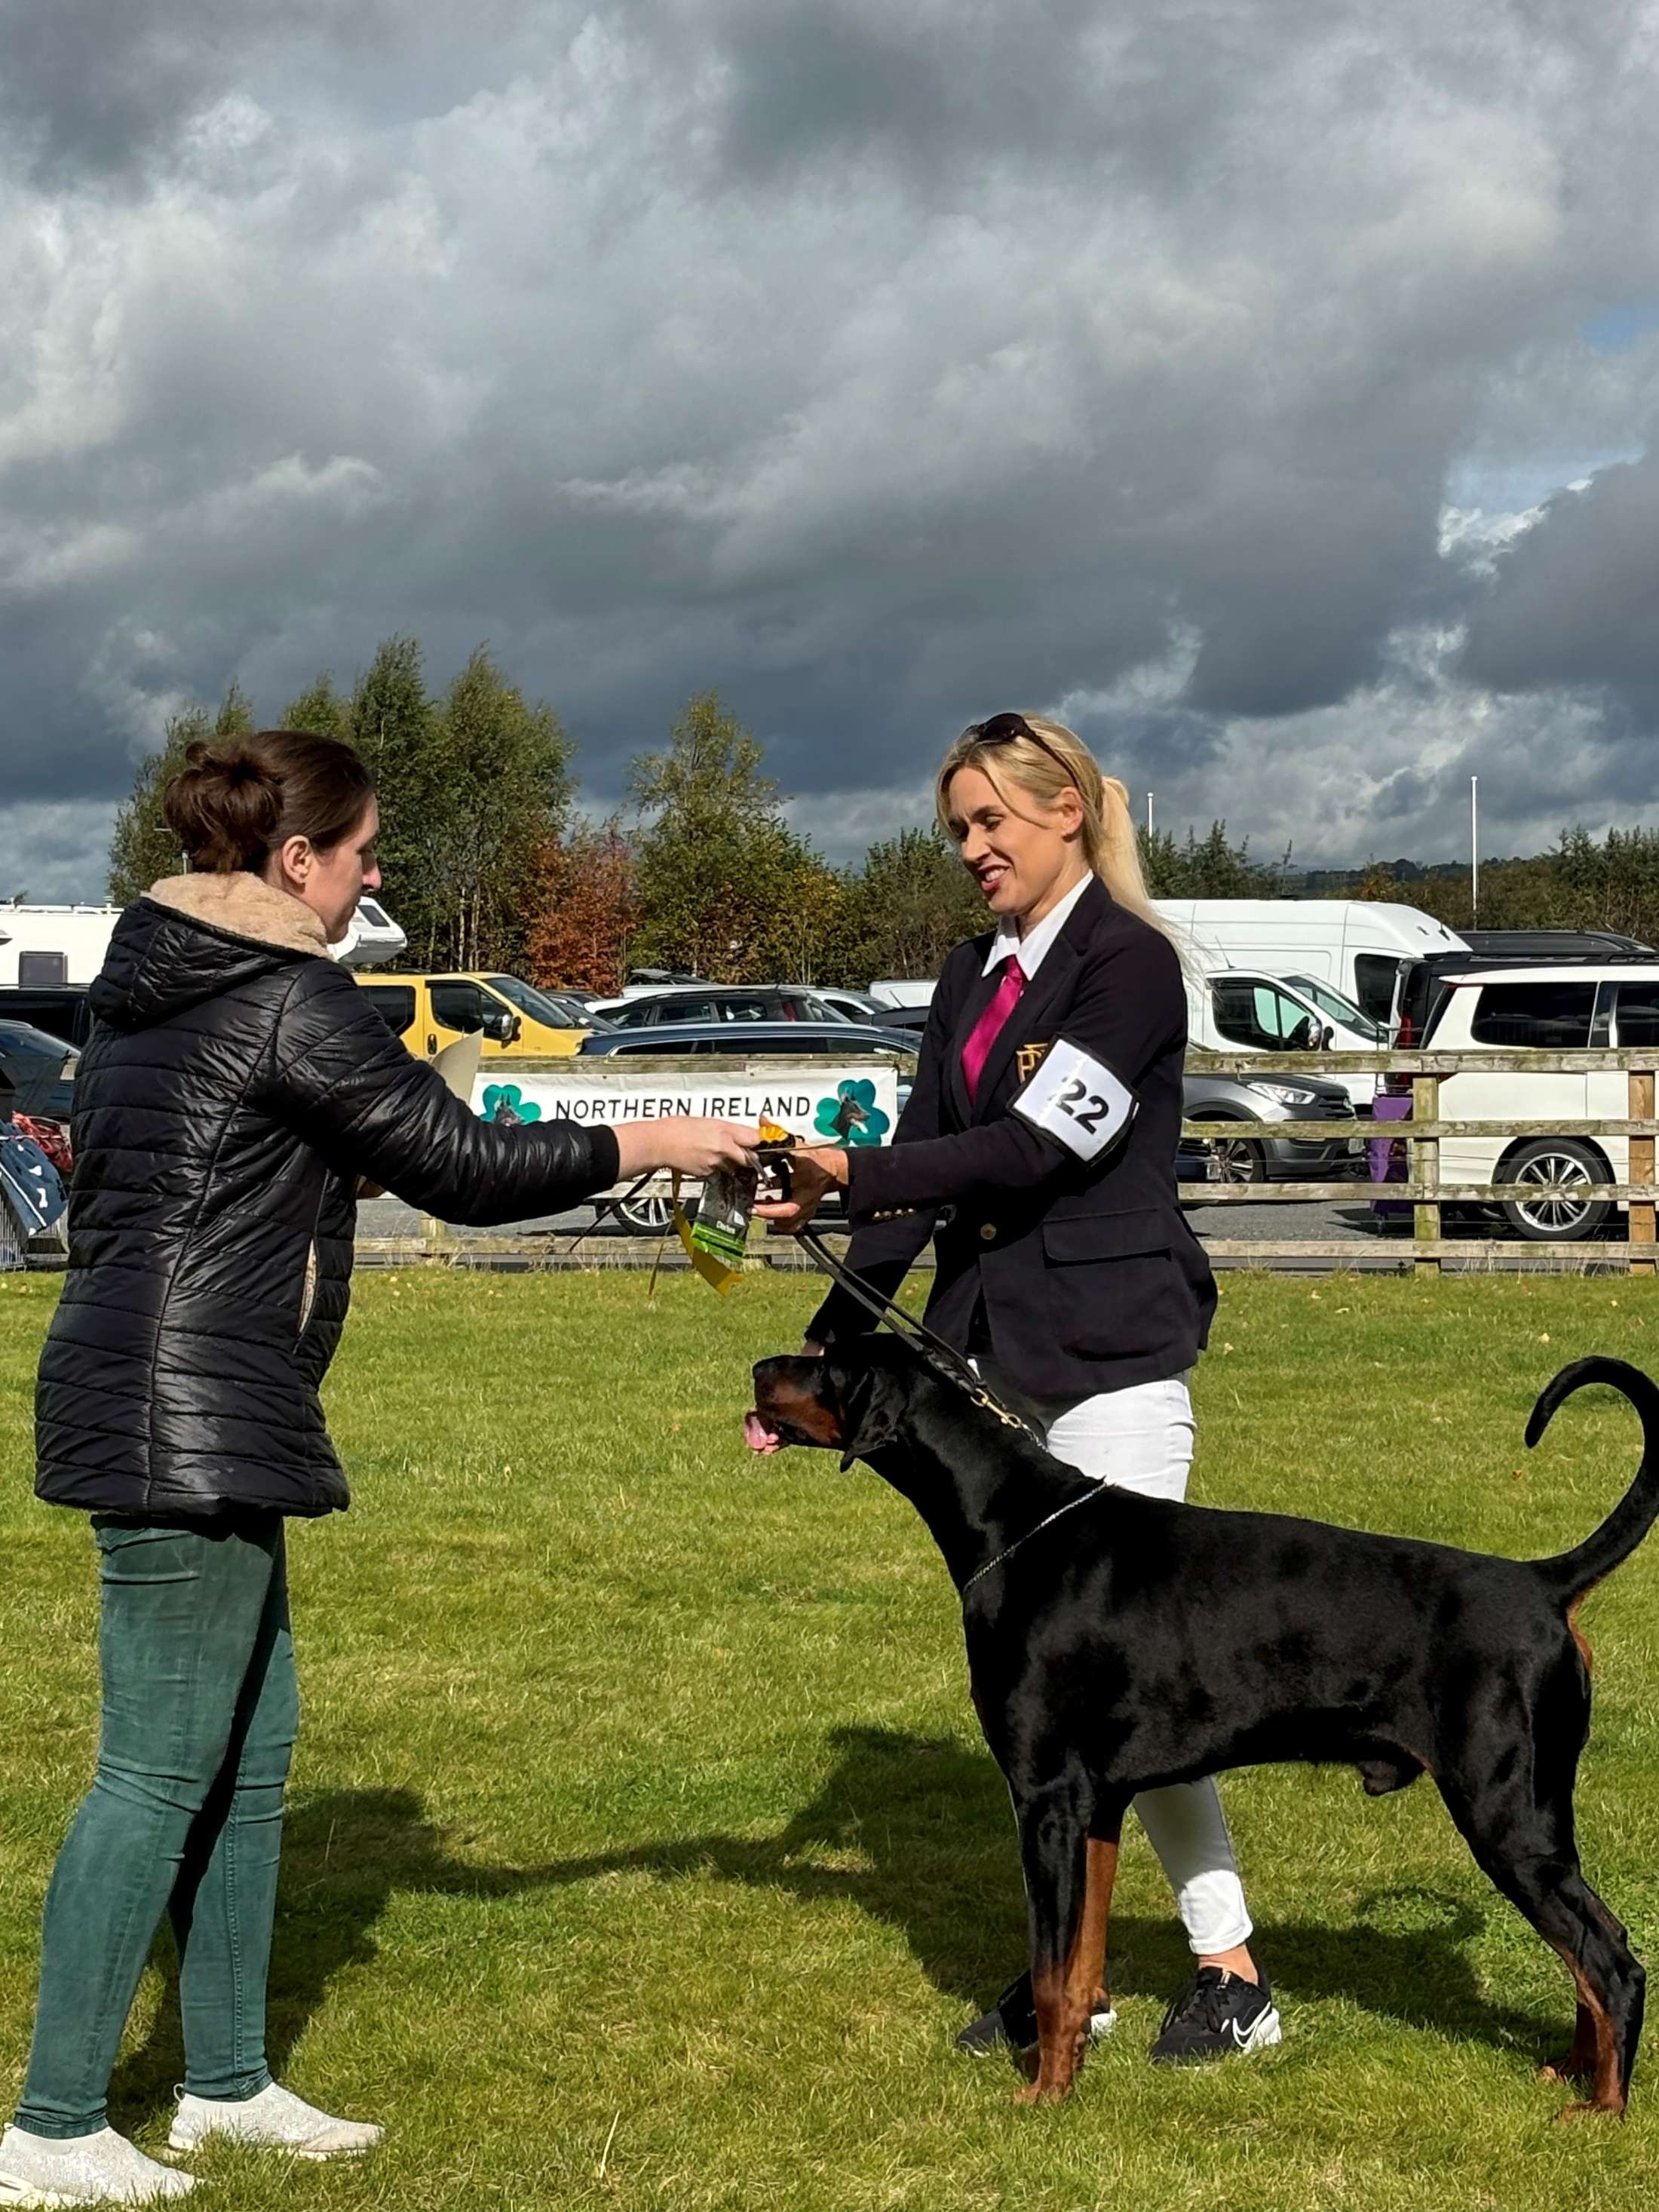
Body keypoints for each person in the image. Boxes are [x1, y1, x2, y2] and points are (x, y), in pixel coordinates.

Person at [0, 731, 759, 2209]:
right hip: (187, 1415)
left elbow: (195, 1162)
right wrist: (657, 1135)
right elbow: (464, 1172)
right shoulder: (287, 988)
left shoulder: (161, 979)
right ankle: (49, 2127)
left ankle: (223, 2090)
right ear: (296, 865)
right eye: (361, 852)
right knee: (156, 1769)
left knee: (249, 1758)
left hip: (189, 1400)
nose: (374, 871)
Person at [755, 711, 1280, 2065]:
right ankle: (1078, 1980)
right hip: (988, 1373)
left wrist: (851, 1173)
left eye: (992, 821)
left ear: (1069, 812)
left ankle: (1230, 1971)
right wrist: (826, 1341)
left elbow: (1036, 1148)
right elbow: (929, 1155)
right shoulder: (967, 973)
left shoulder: (1131, 966)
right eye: (959, 830)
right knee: (1046, 1701)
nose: (973, 850)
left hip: (1112, 1362)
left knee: (1136, 1689)